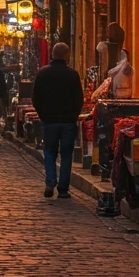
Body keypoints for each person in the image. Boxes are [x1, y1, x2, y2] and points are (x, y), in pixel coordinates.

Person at [33, 42, 84, 198]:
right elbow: (79, 99)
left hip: (50, 121)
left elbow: (36, 98)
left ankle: (50, 181)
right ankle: (63, 188)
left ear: (52, 54)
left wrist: (43, 115)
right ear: (67, 55)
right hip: (68, 121)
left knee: (49, 152)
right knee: (66, 154)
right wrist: (74, 115)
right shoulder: (72, 74)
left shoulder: (43, 73)